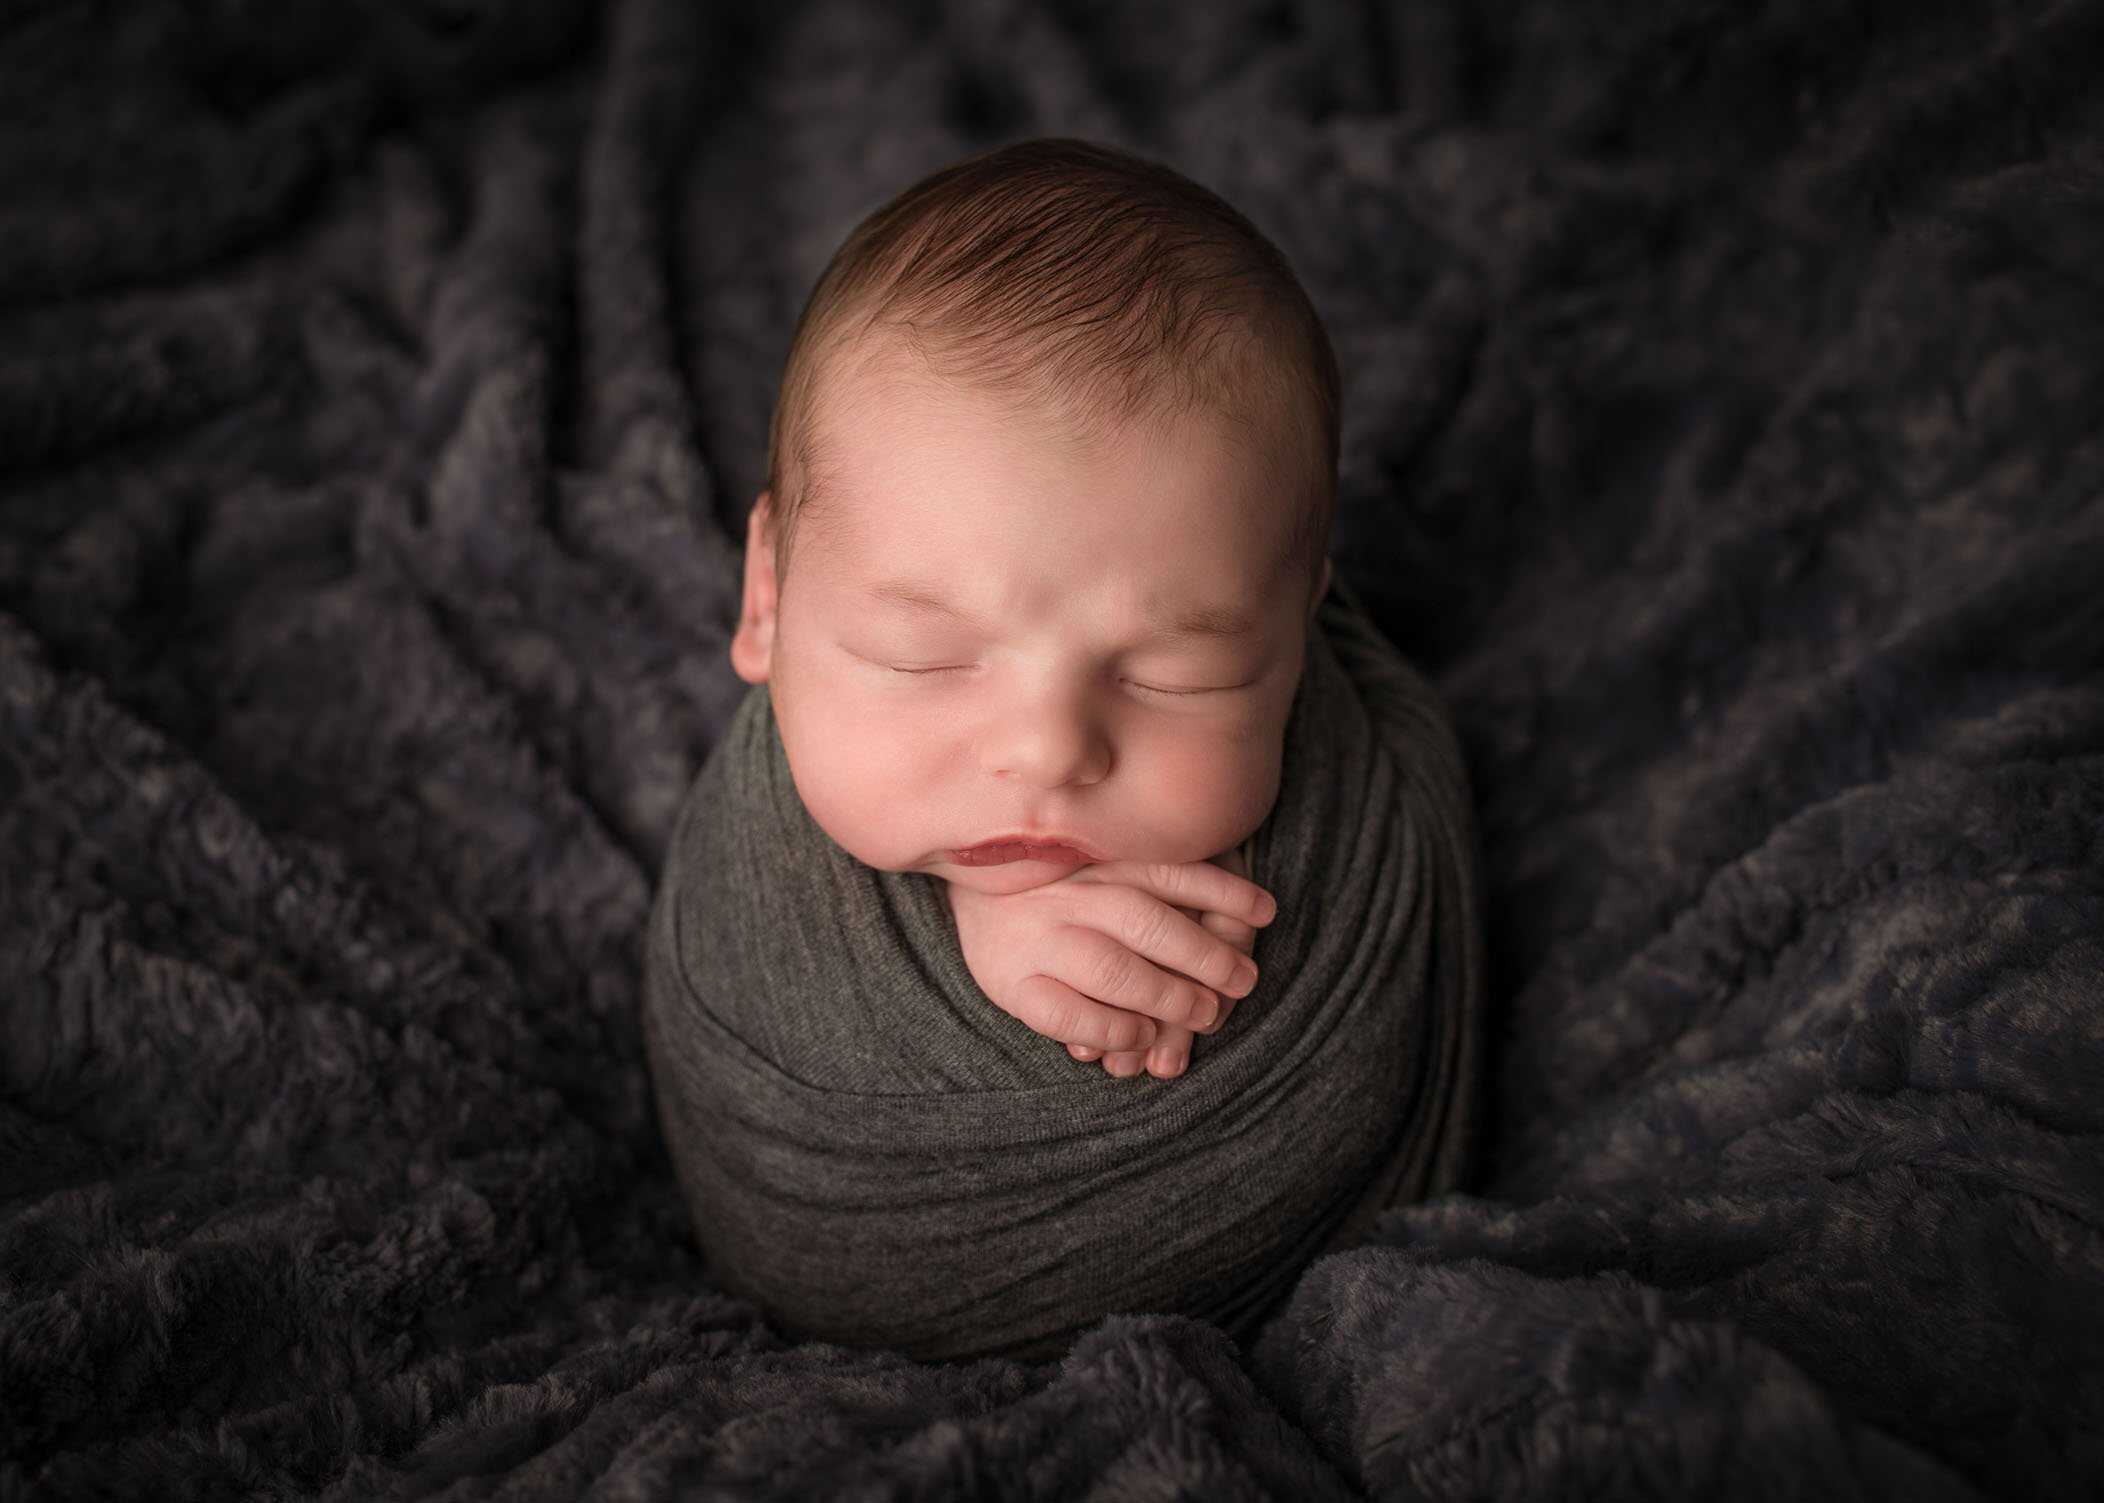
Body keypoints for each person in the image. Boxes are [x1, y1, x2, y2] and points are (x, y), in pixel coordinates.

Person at [724, 135, 1339, 1082]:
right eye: (920, 655)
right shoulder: (752, 892)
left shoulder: (1357, 840)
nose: (1049, 749)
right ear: (767, 596)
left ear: (1302, 628)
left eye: (1175, 674)